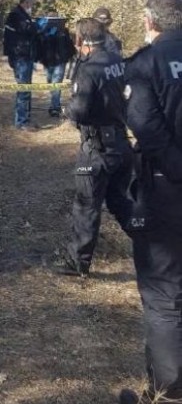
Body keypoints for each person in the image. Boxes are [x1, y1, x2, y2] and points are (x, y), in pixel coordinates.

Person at [119, 0, 182, 404]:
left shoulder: (146, 62)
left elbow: (142, 122)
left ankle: (167, 399)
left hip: (167, 188)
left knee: (164, 294)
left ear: (150, 21)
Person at [54, 17, 133, 277]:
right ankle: (153, 241)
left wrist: (67, 108)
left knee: (86, 206)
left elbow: (80, 111)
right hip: (122, 144)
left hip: (97, 149)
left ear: (80, 41)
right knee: (121, 202)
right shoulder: (118, 61)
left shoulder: (88, 69)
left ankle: (77, 262)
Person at [3, 0, 38, 131]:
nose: (32, 6)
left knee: (27, 89)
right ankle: (21, 122)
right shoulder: (17, 15)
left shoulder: (22, 15)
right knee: (23, 89)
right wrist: (40, 25)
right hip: (20, 57)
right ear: (26, 2)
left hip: (24, 56)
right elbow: (28, 30)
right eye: (32, 4)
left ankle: (26, 119)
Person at [36, 14, 76, 117]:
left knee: (56, 83)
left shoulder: (64, 31)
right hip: (48, 61)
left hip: (60, 62)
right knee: (50, 83)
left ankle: (55, 107)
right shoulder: (43, 31)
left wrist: (70, 56)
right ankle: (54, 104)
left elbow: (69, 45)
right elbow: (39, 45)